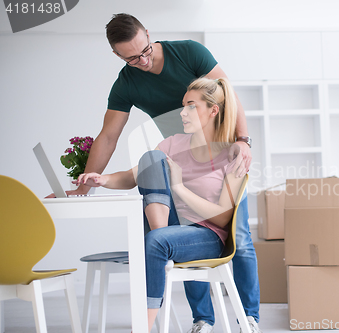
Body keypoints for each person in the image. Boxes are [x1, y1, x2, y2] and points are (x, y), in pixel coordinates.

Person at [69, 14, 260, 333]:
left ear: (148, 33)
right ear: (117, 55)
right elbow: (108, 136)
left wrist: (243, 141)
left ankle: (248, 316)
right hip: (180, 156)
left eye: (145, 50)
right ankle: (202, 318)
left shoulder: (188, 52)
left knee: (238, 236)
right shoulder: (127, 83)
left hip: (223, 151)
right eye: (132, 57)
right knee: (171, 218)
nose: (142, 60)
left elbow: (228, 93)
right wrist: (88, 183)